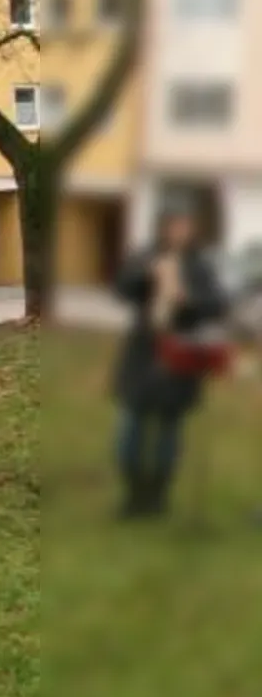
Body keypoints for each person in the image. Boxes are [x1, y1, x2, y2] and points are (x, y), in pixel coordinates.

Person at [108, 198, 228, 518]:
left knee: (168, 431)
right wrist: (147, 277)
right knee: (130, 429)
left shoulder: (199, 265)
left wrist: (188, 300)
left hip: (179, 357)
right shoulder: (146, 256)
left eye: (185, 225)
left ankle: (157, 498)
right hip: (142, 356)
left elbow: (216, 304)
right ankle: (133, 497)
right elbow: (121, 289)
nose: (179, 231)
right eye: (173, 224)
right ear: (163, 226)